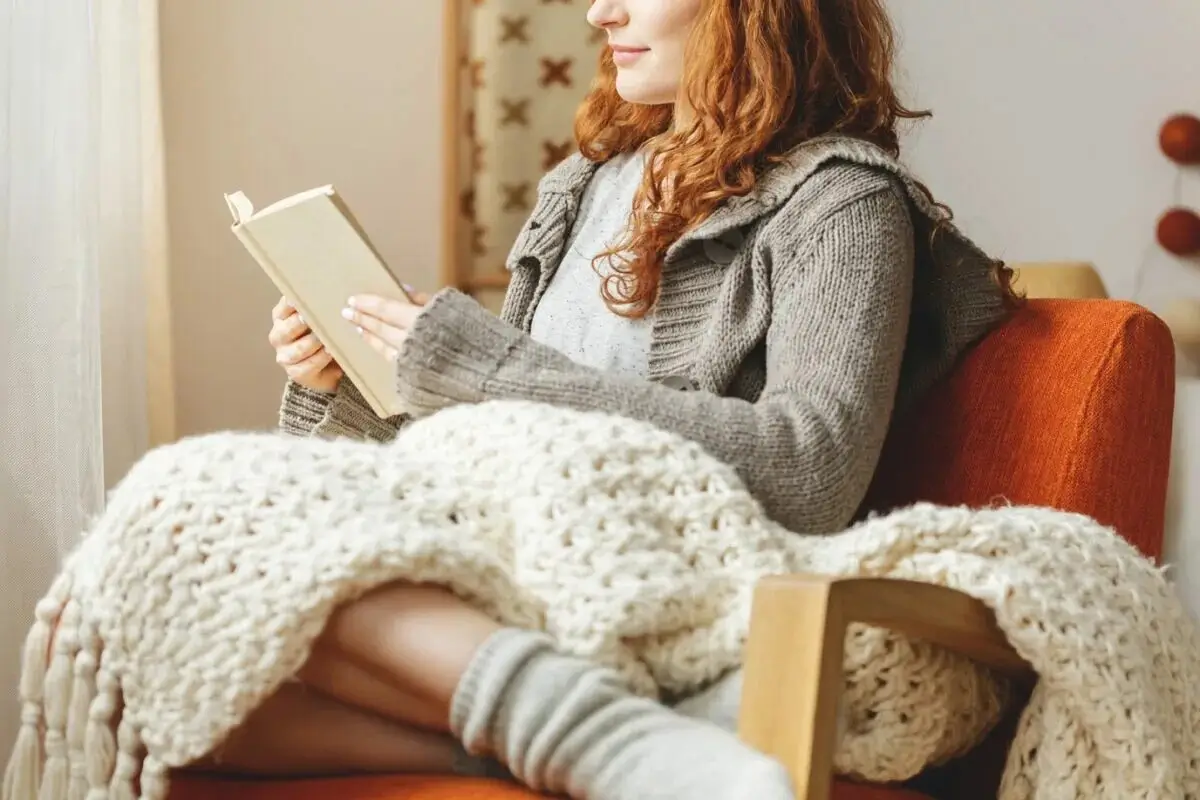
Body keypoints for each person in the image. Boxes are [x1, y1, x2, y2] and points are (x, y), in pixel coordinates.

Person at [222, 0, 1016, 798]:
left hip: (653, 592)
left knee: (192, 517)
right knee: (192, 668)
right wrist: (348, 384)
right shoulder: (583, 186)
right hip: (512, 560)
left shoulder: (840, 203)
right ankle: (579, 742)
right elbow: (505, 436)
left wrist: (487, 368)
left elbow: (813, 470)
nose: (602, 11)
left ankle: (571, 726)